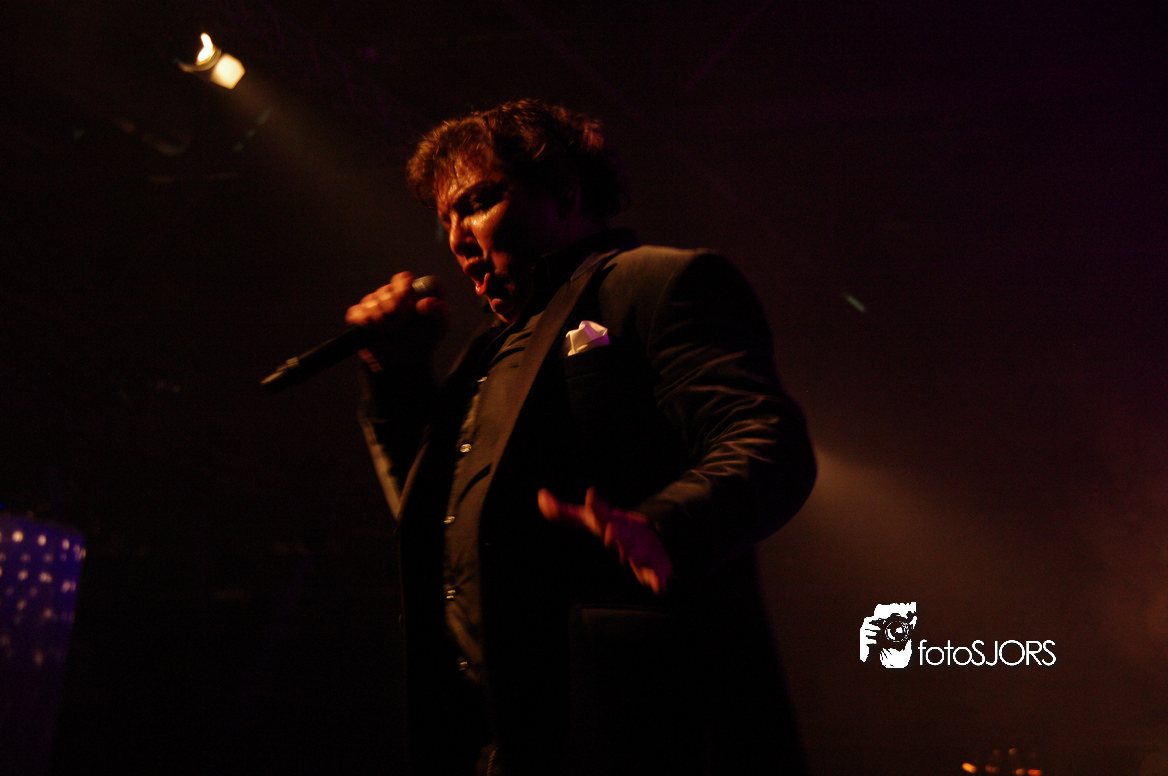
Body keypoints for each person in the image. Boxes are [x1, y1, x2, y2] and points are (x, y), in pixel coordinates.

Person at [345, 99, 816, 776]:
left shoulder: (654, 284)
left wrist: (662, 524)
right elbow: (435, 523)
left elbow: (768, 441)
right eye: (445, 219)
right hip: (495, 738)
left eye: (476, 203)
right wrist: (396, 379)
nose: (456, 238)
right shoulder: (482, 355)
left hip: (630, 728)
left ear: (563, 192)